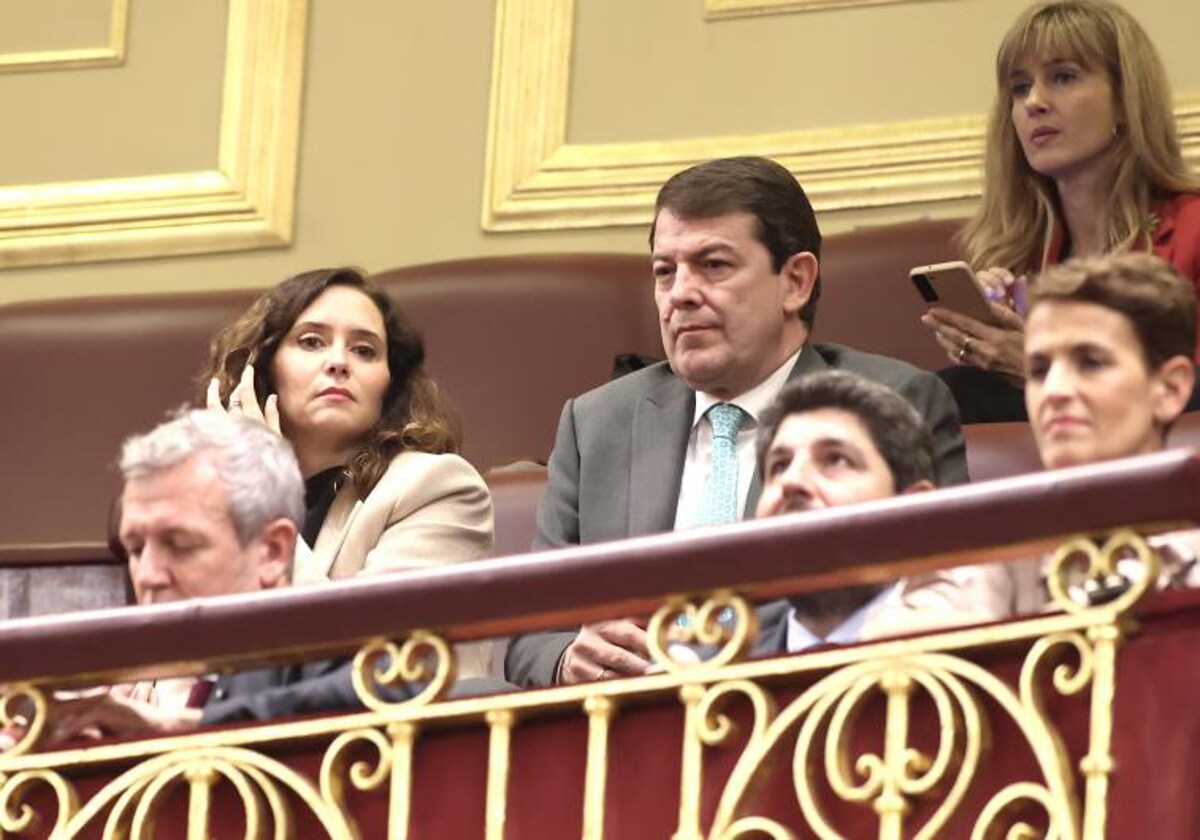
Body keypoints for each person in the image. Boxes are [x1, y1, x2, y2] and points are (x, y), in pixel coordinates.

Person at [505, 156, 968, 687]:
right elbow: (529, 636)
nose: (680, 293)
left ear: (795, 281)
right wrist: (569, 658)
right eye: (665, 271)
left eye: (714, 265)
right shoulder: (598, 423)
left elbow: (940, 600)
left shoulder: (889, 403)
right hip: (633, 735)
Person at [199, 267, 494, 674]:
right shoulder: (212, 508)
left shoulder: (438, 488)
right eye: (312, 342)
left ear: (390, 384)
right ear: (263, 370)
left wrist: (263, 494)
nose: (338, 362)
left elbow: (378, 668)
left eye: (364, 350)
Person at [921, 0, 1200, 423]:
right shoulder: (1018, 253)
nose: (1034, 102)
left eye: (1063, 77)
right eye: (1020, 87)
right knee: (938, 395)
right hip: (1047, 460)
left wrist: (1042, 365)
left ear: (1126, 100)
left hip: (1163, 470)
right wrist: (989, 346)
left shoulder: (1193, 229)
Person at [897, 253, 1198, 622]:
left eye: (1091, 362)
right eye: (1039, 370)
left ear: (1170, 389)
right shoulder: (994, 559)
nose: (1054, 390)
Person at [749, 371, 938, 652]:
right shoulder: (705, 675)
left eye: (835, 459)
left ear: (913, 511)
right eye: (779, 465)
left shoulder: (987, 653)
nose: (791, 481)